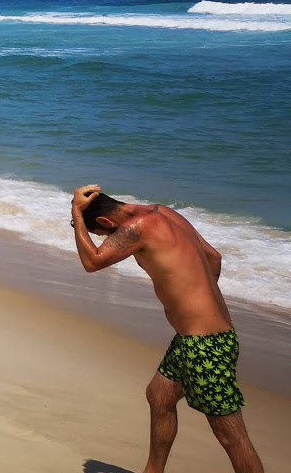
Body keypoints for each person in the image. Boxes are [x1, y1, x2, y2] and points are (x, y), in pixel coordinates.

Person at [71, 185, 263, 473]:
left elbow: (93, 261)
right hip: (199, 338)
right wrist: (199, 303)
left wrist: (76, 211)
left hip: (204, 345)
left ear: (105, 222)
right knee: (159, 395)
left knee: (231, 436)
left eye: (102, 234)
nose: (106, 239)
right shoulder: (164, 212)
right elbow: (214, 258)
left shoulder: (137, 228)